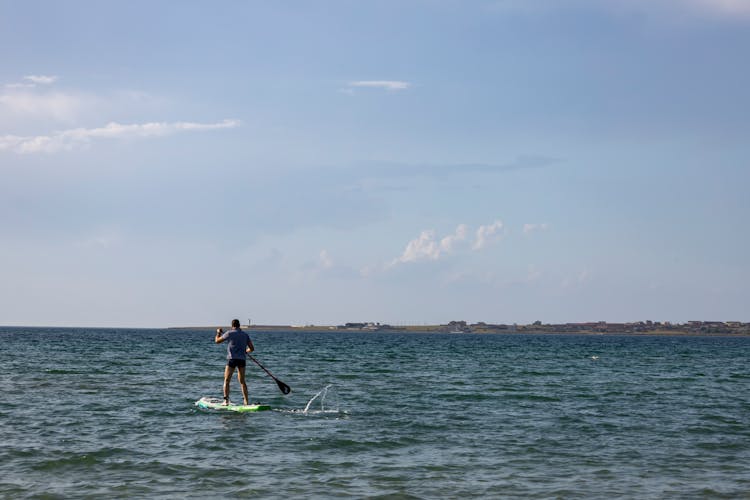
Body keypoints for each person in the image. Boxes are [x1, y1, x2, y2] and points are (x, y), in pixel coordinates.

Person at [215, 319, 255, 405]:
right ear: (239, 325)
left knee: (227, 380)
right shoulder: (245, 335)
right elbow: (252, 348)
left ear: (232, 326)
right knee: (242, 381)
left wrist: (218, 332)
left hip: (232, 359)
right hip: (242, 360)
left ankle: (226, 401)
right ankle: (246, 401)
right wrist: (245, 351)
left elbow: (217, 341)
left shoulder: (229, 333)